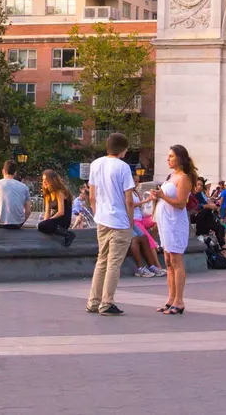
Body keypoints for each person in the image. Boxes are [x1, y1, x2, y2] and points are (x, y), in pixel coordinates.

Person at [86, 133, 136, 316]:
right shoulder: (123, 167)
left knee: (102, 260)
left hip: (102, 219)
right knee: (114, 263)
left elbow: (92, 195)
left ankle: (93, 301)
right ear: (122, 149)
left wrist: (97, 213)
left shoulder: (96, 164)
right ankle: (107, 302)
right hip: (119, 220)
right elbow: (128, 199)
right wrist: (130, 223)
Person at [150, 145, 196, 314]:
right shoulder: (171, 176)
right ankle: (171, 298)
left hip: (175, 222)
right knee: (168, 260)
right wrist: (157, 197)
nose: (167, 159)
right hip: (165, 222)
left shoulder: (183, 178)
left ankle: (179, 300)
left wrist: (162, 196)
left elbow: (181, 203)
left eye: (171, 156)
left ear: (180, 158)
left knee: (176, 260)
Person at [131, 186, 165, 277]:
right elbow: (130, 205)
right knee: (136, 239)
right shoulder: (125, 192)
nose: (136, 184)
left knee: (146, 237)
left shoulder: (135, 192)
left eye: (138, 181)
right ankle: (144, 267)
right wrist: (146, 200)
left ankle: (152, 265)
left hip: (138, 218)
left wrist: (153, 200)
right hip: (130, 220)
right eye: (134, 181)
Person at [37, 169, 76, 246]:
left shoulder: (59, 192)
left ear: (52, 180)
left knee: (43, 225)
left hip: (63, 220)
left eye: (46, 179)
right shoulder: (48, 194)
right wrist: (46, 222)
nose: (44, 182)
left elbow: (61, 212)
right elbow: (47, 212)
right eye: (43, 180)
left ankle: (68, 234)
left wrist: (49, 221)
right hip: (56, 220)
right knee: (42, 225)